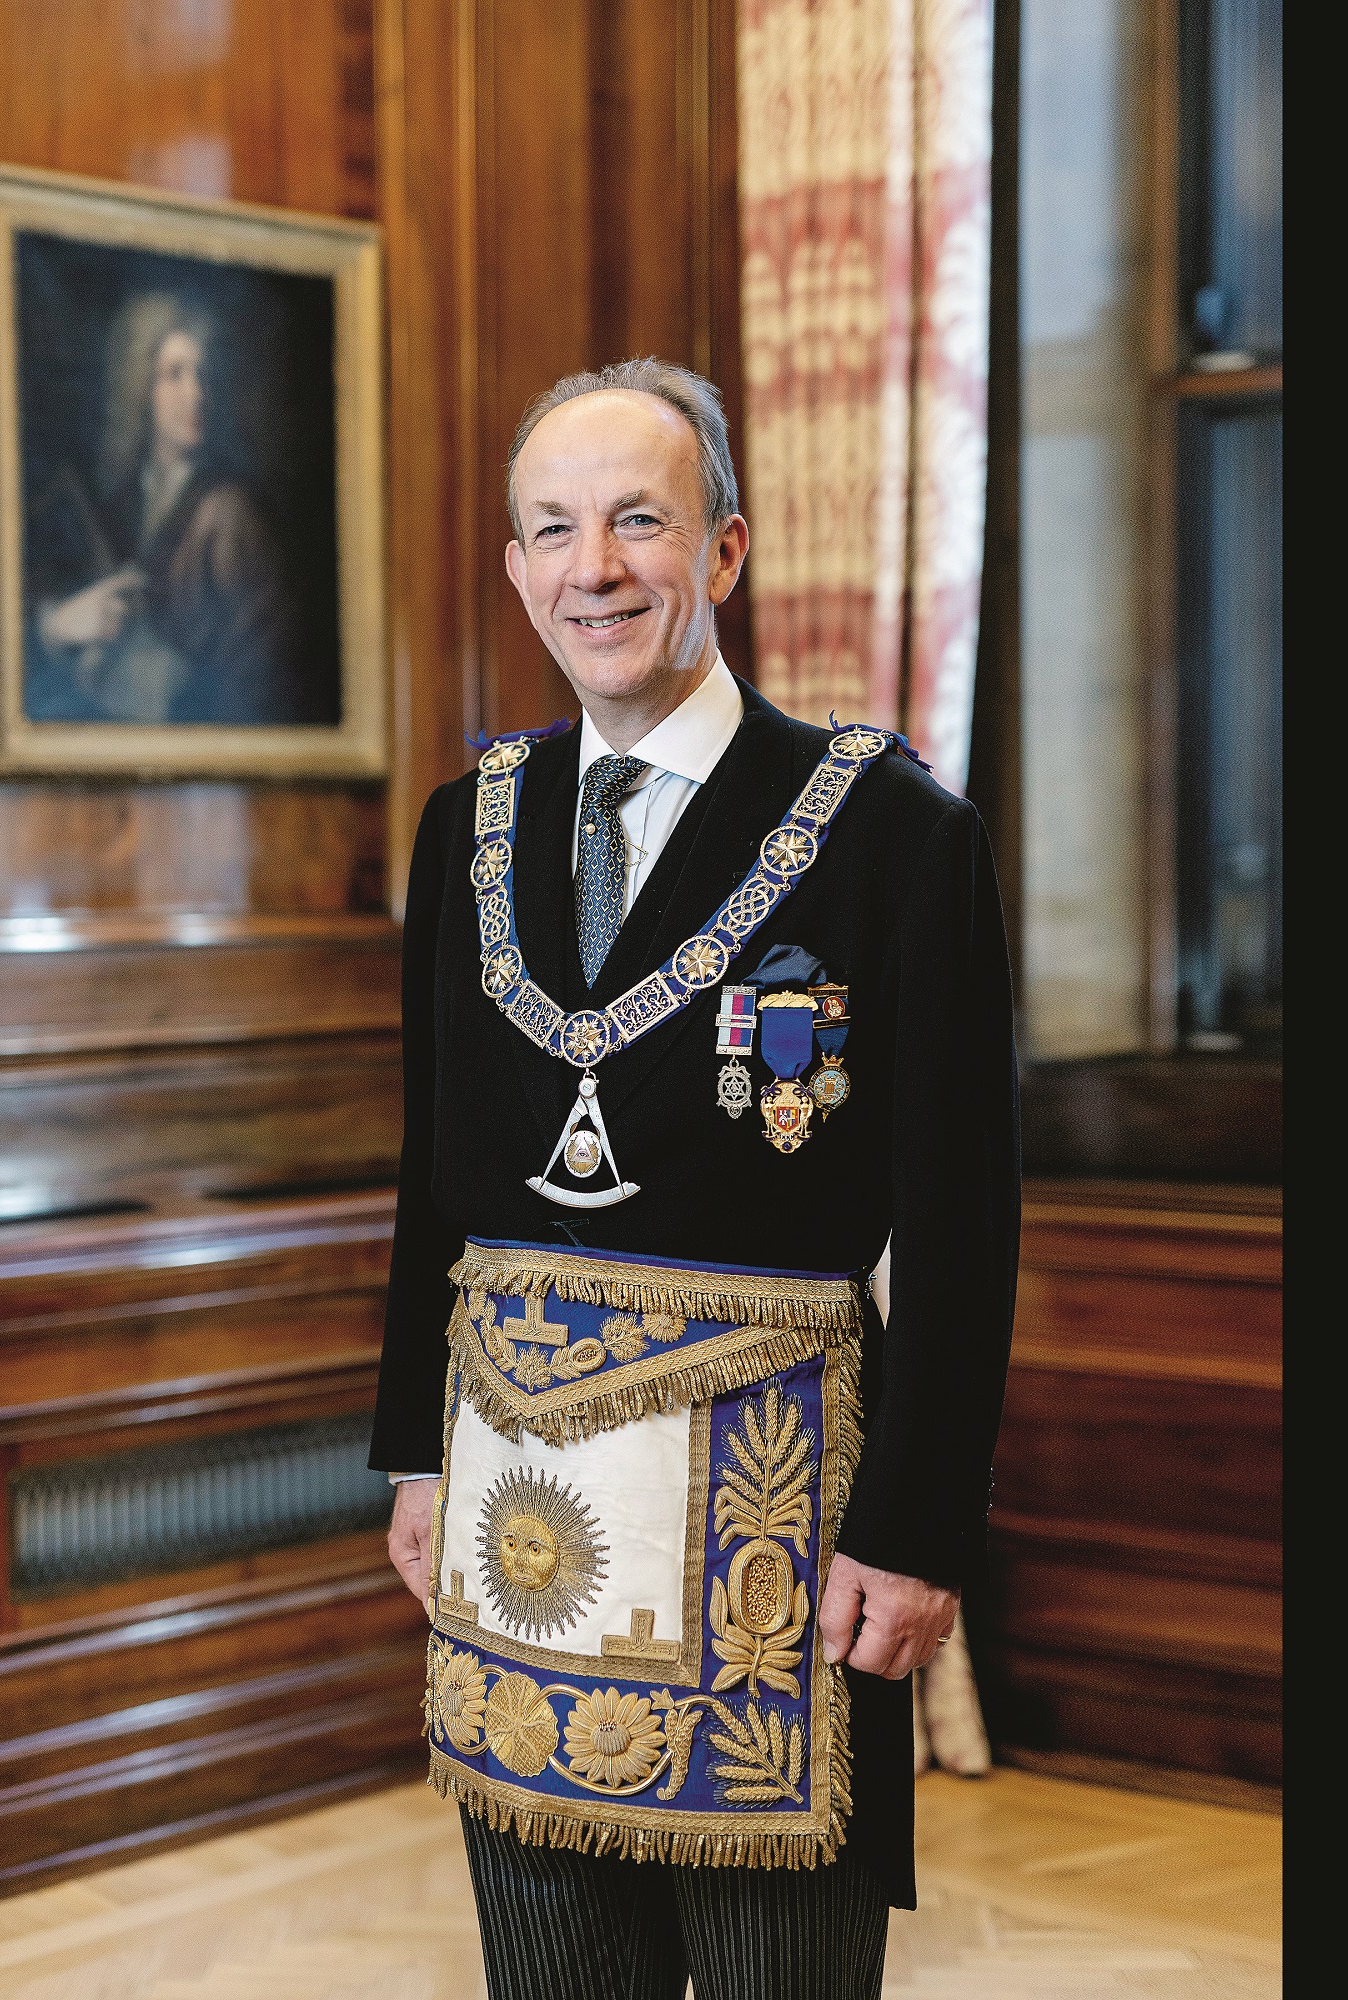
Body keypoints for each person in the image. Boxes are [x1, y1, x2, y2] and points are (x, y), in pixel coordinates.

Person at [369, 357, 1019, 1999]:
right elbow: (430, 1178)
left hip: (780, 1528)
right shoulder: (468, 828)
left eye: (638, 521)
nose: (595, 568)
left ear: (723, 551)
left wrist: (919, 1528)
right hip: (520, 1508)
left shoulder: (888, 833)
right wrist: (411, 1454)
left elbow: (961, 1215)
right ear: (517, 570)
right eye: (554, 530)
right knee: (550, 1972)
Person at [24, 291, 294, 726]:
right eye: (173, 375)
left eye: (202, 375)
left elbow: (257, 674)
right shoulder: (122, 498)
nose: (196, 394)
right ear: (140, 387)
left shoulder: (228, 514)